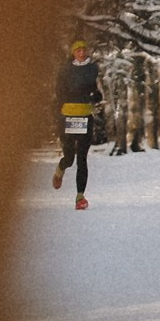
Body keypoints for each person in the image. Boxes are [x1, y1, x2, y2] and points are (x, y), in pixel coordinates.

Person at [53, 39, 102, 210]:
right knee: (70, 158)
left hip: (85, 117)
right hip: (68, 116)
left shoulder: (92, 69)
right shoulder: (65, 71)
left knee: (82, 158)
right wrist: (57, 113)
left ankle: (80, 197)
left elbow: (95, 91)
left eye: (83, 50)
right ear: (73, 53)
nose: (81, 53)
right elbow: (58, 93)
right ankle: (61, 167)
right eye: (78, 50)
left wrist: (96, 96)